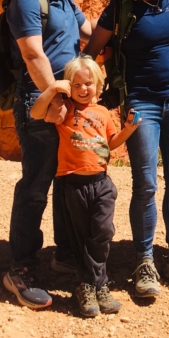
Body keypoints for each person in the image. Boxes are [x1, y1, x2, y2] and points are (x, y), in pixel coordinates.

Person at [85, 0, 169, 298]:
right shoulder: (120, 8)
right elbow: (90, 52)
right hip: (141, 103)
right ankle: (144, 259)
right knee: (146, 183)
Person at [3, 0, 94, 311]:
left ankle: (64, 256)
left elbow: (88, 33)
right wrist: (53, 96)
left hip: (67, 101)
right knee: (36, 184)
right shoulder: (27, 1)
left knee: (67, 177)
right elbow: (32, 53)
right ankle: (19, 270)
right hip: (40, 101)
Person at [30, 56, 141, 317]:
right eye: (76, 84)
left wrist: (128, 129)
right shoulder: (64, 109)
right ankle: (89, 286)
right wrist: (54, 90)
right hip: (73, 182)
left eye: (88, 84)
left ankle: (96, 283)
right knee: (81, 237)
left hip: (101, 182)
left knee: (102, 232)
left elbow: (111, 143)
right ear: (70, 86)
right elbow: (36, 113)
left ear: (98, 86)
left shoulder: (102, 113)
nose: (83, 89)